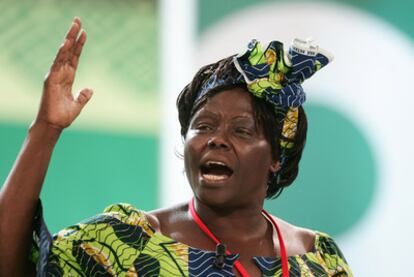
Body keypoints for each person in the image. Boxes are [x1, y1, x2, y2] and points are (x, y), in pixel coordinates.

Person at [0, 18, 352, 277]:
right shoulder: (126, 242)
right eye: (203, 125)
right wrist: (45, 129)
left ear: (276, 156)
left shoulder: (319, 259)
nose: (215, 138)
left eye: (242, 130)